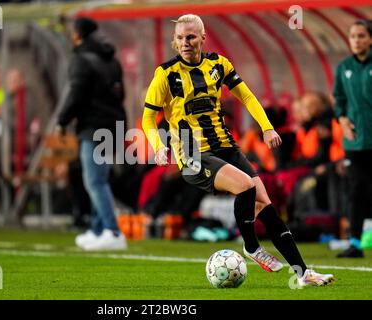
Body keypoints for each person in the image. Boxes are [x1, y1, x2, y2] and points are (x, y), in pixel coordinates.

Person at [142, 14, 333, 286]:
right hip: (194, 156)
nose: (185, 43)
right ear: (174, 42)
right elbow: (148, 118)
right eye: (180, 38)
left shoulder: (219, 65)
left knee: (265, 205)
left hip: (227, 147)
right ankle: (252, 246)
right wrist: (159, 147)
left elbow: (246, 95)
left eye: (191, 37)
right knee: (246, 186)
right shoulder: (166, 75)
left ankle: (303, 273)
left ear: (202, 38)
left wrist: (267, 127)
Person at [55, 17, 127, 251]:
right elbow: (120, 94)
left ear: (78, 34)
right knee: (101, 180)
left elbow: (76, 94)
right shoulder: (112, 60)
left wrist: (62, 120)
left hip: (94, 127)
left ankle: (112, 231)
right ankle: (98, 231)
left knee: (94, 181)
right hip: (114, 124)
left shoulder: (80, 60)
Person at [333, 19, 372, 258]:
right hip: (355, 143)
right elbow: (339, 99)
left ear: (370, 39)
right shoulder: (343, 67)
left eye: (361, 36)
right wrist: (342, 119)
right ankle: (355, 243)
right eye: (353, 36)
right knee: (356, 191)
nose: (356, 41)